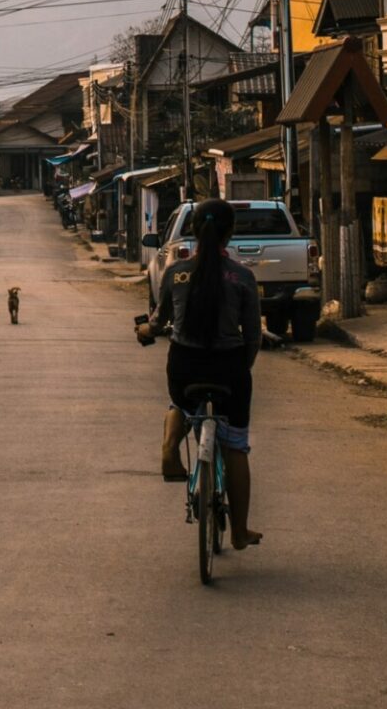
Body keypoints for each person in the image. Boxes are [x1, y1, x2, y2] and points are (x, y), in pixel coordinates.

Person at [137, 199, 262, 550]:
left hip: (185, 365)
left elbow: (159, 320)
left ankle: (169, 447)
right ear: (230, 233)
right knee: (235, 446)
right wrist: (242, 369)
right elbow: (252, 336)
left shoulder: (175, 272)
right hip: (229, 368)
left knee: (178, 402)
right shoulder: (243, 277)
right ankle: (239, 531)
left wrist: (146, 331)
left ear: (193, 231)